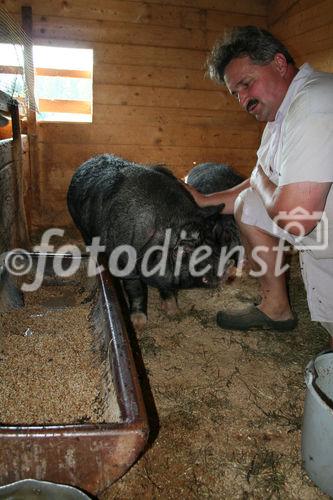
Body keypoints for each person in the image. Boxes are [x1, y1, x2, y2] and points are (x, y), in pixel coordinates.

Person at [185, 26, 333, 348]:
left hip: (312, 225)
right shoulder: (280, 116)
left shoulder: (314, 102)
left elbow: (296, 218)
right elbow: (257, 182)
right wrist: (204, 200)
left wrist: (259, 181)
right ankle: (275, 308)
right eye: (235, 93)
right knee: (248, 203)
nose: (243, 100)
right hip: (323, 233)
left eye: (246, 84)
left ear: (279, 64)